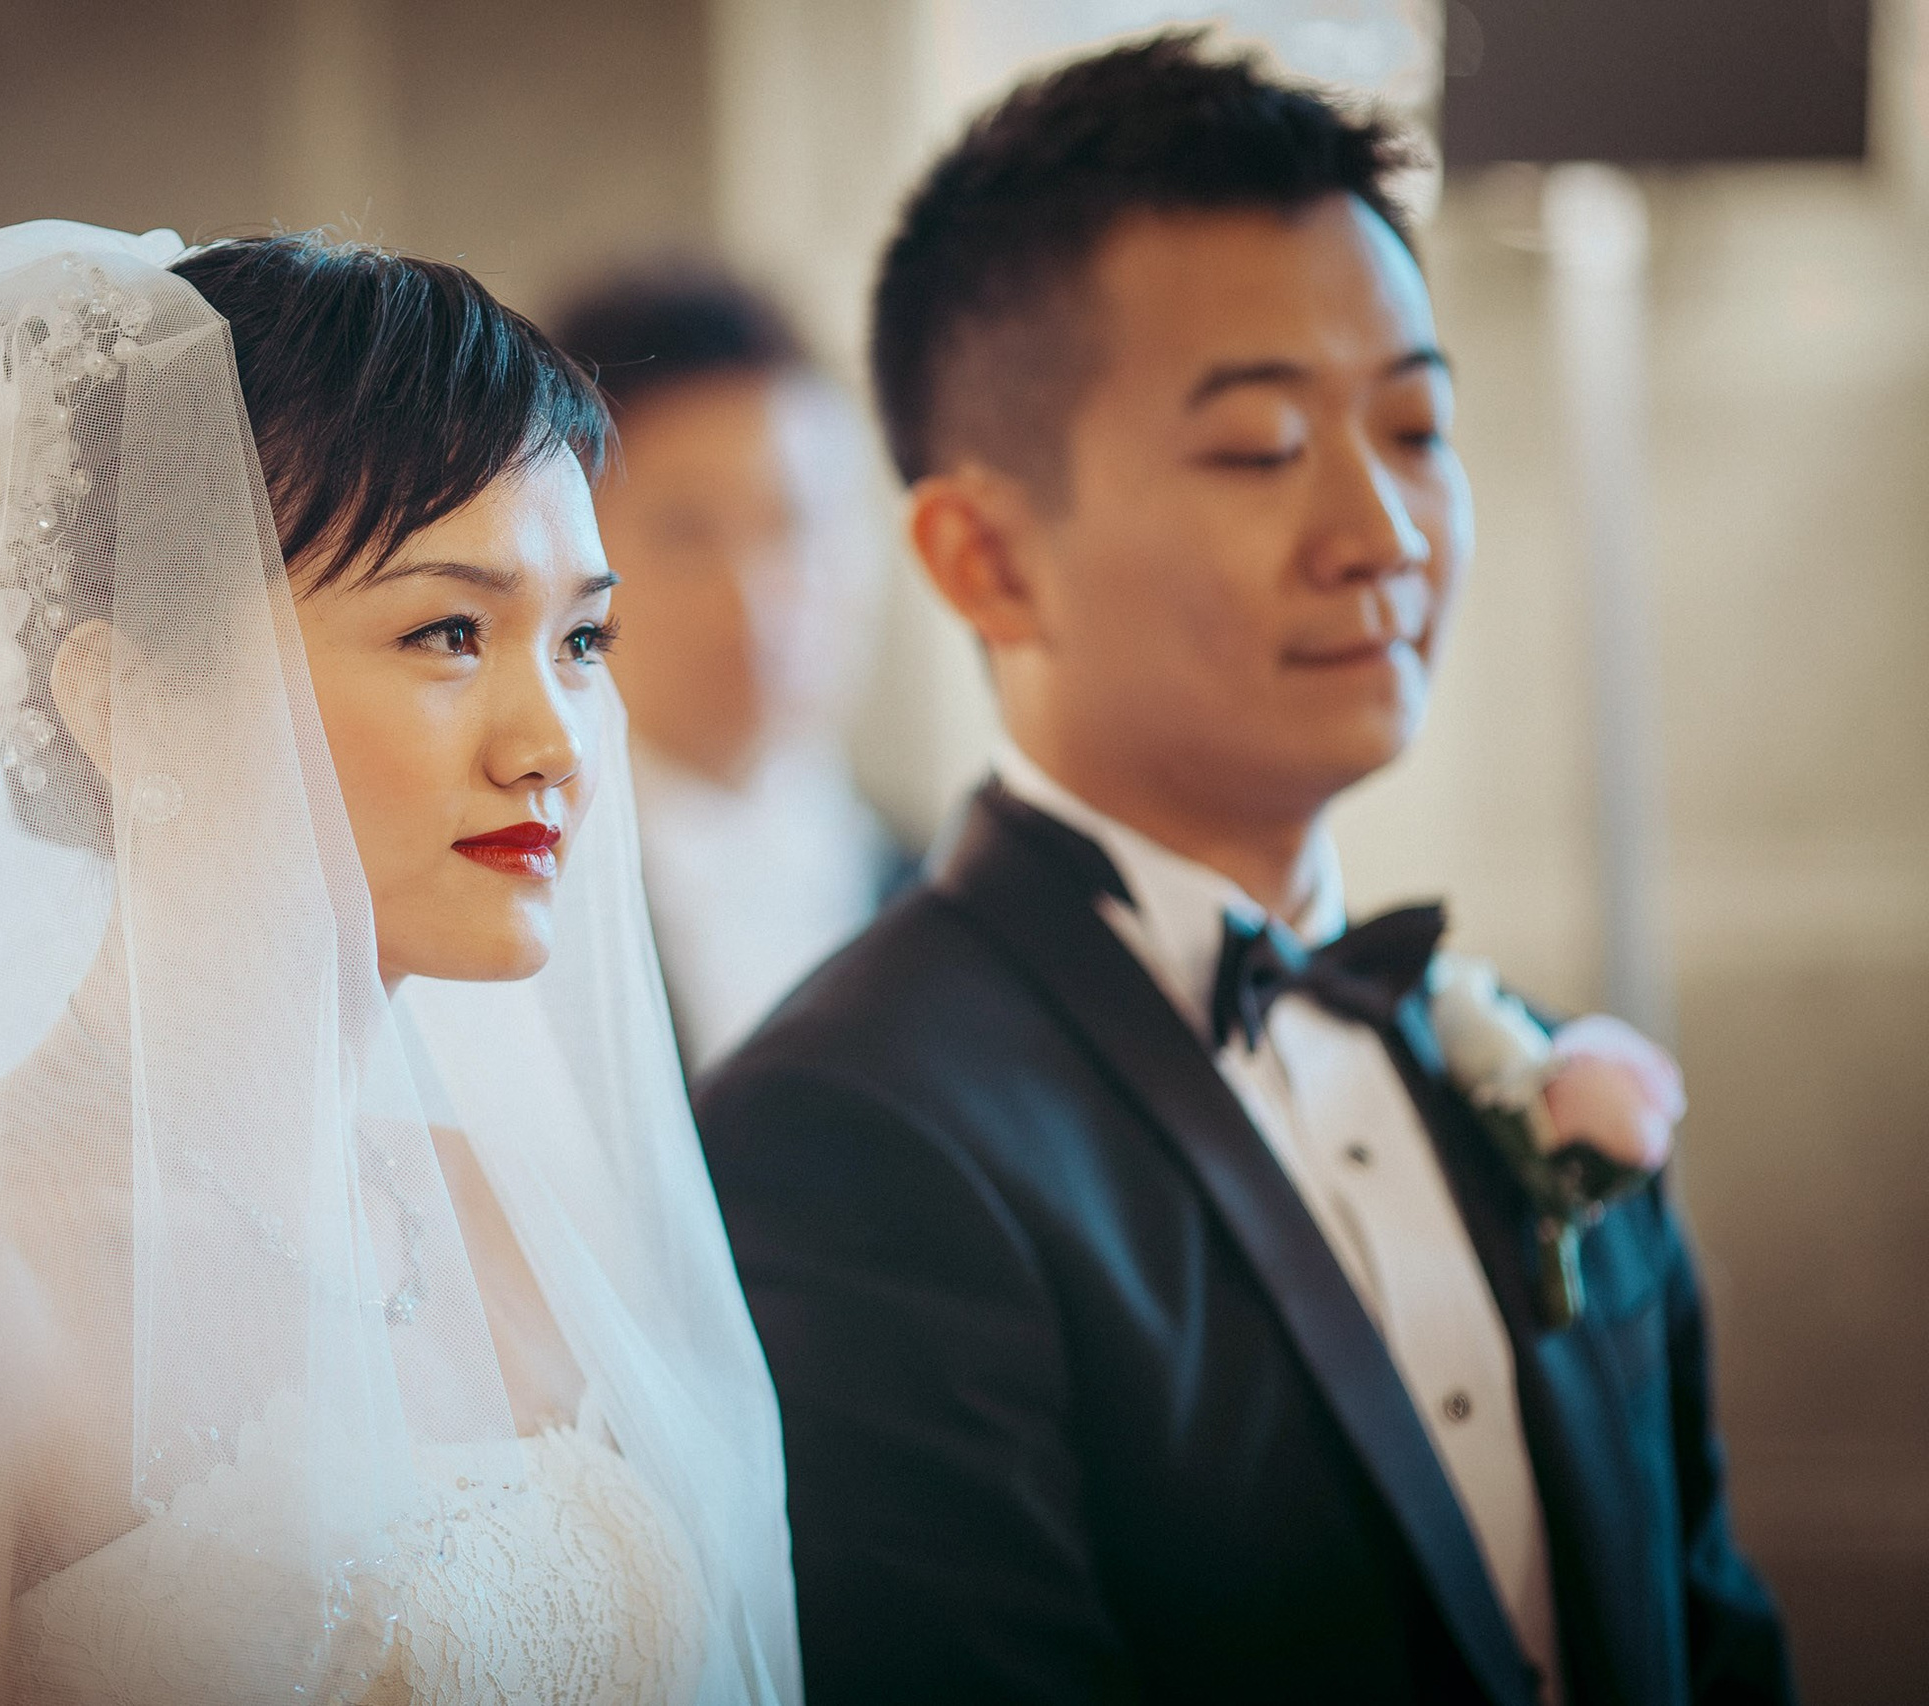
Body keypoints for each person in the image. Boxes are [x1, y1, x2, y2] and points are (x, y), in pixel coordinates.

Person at [0, 224, 798, 1705]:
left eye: (583, 639)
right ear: (124, 700)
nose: (558, 744)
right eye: (451, 630)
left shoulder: (502, 1217)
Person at [696, 35, 1792, 1706]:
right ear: (983, 555)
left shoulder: (1522, 1053)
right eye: (1263, 447)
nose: (1385, 527)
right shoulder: (852, 1131)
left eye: (1416, 426)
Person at [553, 270, 904, 1072]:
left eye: (796, 524)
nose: (758, 598)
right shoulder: (518, 915)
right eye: (687, 533)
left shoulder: (948, 886)